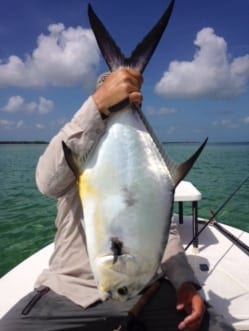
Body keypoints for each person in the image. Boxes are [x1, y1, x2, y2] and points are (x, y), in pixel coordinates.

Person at [0, 68, 234, 331]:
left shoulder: (142, 154)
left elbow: (163, 233)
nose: (120, 104)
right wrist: (98, 106)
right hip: (70, 290)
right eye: (113, 98)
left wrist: (185, 282)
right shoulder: (75, 147)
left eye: (130, 100)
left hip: (142, 286)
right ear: (98, 99)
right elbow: (47, 182)